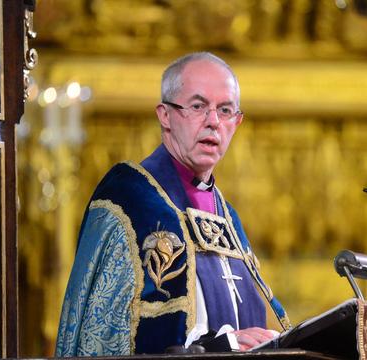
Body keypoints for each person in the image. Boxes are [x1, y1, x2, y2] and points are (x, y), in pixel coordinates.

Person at [55, 52, 290, 356]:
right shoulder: (128, 198)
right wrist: (223, 346)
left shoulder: (226, 215)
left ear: (238, 121)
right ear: (165, 115)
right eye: (198, 106)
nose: (213, 122)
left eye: (225, 110)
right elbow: (107, 335)